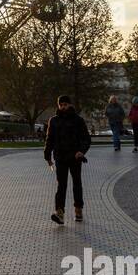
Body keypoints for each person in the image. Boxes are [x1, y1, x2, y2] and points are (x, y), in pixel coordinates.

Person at [44, 94, 91, 225]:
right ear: (58, 106)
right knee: (61, 186)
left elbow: (86, 139)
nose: (63, 107)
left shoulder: (78, 120)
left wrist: (81, 151)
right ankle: (60, 213)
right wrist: (47, 155)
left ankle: (78, 209)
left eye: (65, 104)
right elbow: (49, 139)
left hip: (75, 157)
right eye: (61, 105)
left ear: (70, 105)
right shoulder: (53, 121)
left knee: (77, 184)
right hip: (60, 157)